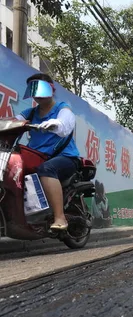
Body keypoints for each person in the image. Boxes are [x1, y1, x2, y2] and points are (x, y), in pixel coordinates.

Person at [16, 73, 79, 231]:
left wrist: (55, 123)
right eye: (33, 90)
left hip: (65, 158)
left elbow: (65, 124)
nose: (37, 94)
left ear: (51, 89)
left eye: (40, 89)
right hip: (37, 158)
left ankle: (60, 217)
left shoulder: (62, 108)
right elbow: (13, 121)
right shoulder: (29, 113)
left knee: (46, 169)